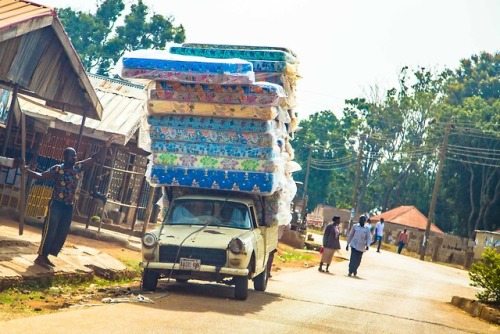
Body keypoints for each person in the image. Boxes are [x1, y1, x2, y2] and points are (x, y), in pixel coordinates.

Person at [22, 136, 116, 269]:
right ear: (66, 157)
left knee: (61, 231)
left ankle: (47, 255)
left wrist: (105, 147)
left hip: (68, 206)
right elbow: (41, 176)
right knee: (50, 230)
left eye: (76, 156)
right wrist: (27, 172)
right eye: (73, 156)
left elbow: (94, 158)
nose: (75, 158)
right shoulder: (57, 169)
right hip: (56, 204)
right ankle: (40, 257)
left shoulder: (78, 167)